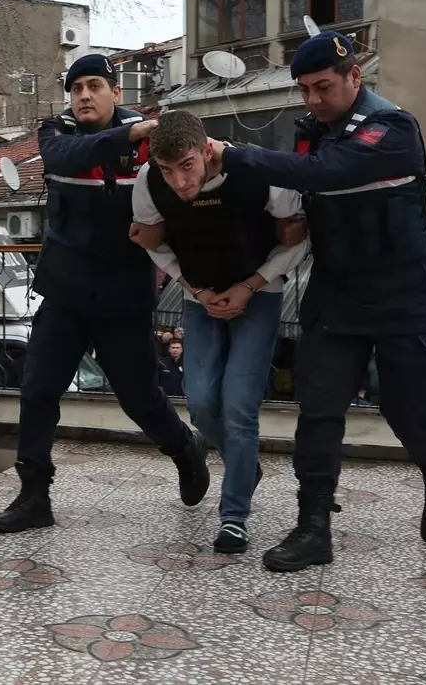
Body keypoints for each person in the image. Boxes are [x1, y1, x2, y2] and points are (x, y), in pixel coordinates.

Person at [201, 31, 426, 571]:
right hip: (339, 292)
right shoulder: (311, 133)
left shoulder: (393, 128)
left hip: (405, 294)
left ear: (354, 77)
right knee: (319, 411)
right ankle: (313, 525)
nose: (313, 100)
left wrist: (235, 154)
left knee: (407, 410)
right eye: (304, 89)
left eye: (322, 87)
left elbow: (330, 173)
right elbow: (304, 190)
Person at [0, 54, 210, 534]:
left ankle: (184, 448)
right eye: (76, 88)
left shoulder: (150, 138)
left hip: (123, 293)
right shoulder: (58, 131)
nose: (83, 95)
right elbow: (62, 158)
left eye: (94, 86)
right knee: (39, 389)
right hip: (64, 291)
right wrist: (127, 136)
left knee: (139, 398)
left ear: (115, 92)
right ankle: (33, 495)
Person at [131, 109, 308, 554]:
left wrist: (250, 286)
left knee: (240, 406)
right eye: (168, 171)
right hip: (199, 298)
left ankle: (234, 517)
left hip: (260, 293)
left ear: (206, 151)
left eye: (186, 167)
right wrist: (195, 289)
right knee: (203, 400)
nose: (179, 182)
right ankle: (243, 467)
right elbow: (154, 246)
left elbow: (301, 236)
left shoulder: (257, 170)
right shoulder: (149, 184)